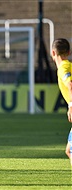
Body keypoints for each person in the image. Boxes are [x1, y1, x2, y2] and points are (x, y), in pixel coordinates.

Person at [51, 38, 72, 166]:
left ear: (53, 53)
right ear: (69, 52)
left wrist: (71, 106)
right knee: (69, 150)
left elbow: (70, 85)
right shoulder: (69, 66)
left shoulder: (63, 67)